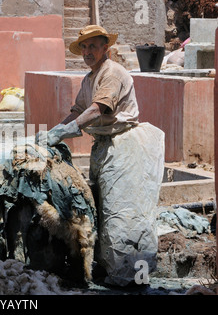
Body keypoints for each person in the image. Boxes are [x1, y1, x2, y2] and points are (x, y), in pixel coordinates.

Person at [36, 25, 165, 287]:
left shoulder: (112, 73)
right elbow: (79, 110)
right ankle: (111, 269)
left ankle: (134, 279)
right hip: (104, 146)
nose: (87, 51)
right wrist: (55, 131)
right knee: (104, 209)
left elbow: (97, 110)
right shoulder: (89, 78)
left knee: (125, 212)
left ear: (105, 48)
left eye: (93, 46)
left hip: (124, 147)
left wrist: (67, 131)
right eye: (83, 47)